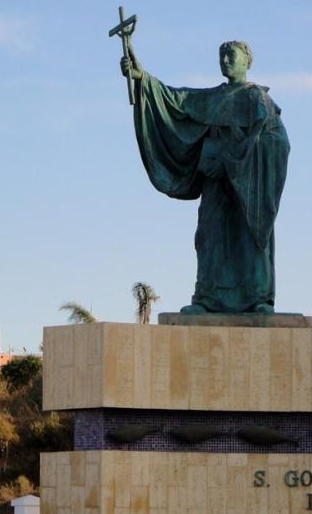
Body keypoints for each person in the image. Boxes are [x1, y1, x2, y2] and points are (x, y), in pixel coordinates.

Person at [121, 40, 289, 314]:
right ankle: (207, 299)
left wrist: (233, 157)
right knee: (209, 237)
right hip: (215, 183)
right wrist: (142, 79)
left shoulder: (258, 99)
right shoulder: (211, 98)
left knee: (249, 238)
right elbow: (176, 100)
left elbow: (278, 141)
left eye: (231, 55)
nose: (225, 60)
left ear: (247, 61)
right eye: (221, 56)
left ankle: (256, 299)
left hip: (248, 185)